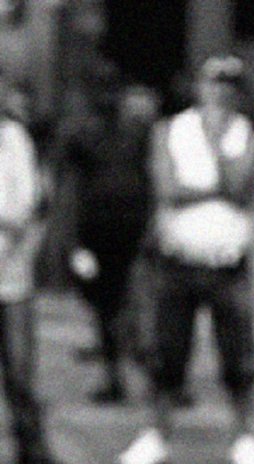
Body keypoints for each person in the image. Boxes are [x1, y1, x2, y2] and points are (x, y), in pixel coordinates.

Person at [116, 55, 254, 464]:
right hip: (177, 260)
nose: (220, 91)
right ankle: (155, 435)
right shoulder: (171, 129)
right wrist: (214, 183)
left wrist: (215, 145)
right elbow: (166, 188)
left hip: (228, 261)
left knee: (239, 356)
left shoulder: (248, 135)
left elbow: (241, 188)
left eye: (230, 84)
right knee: (166, 353)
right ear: (198, 85)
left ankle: (245, 438)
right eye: (213, 81)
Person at [65, 81, 157, 403]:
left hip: (124, 231)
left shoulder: (134, 137)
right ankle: (123, 376)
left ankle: (136, 377)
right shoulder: (98, 137)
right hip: (107, 232)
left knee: (126, 307)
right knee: (113, 307)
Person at [0, 68, 70, 464]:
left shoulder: (14, 138)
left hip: (13, 274)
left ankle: (31, 445)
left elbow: (29, 202)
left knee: (22, 370)